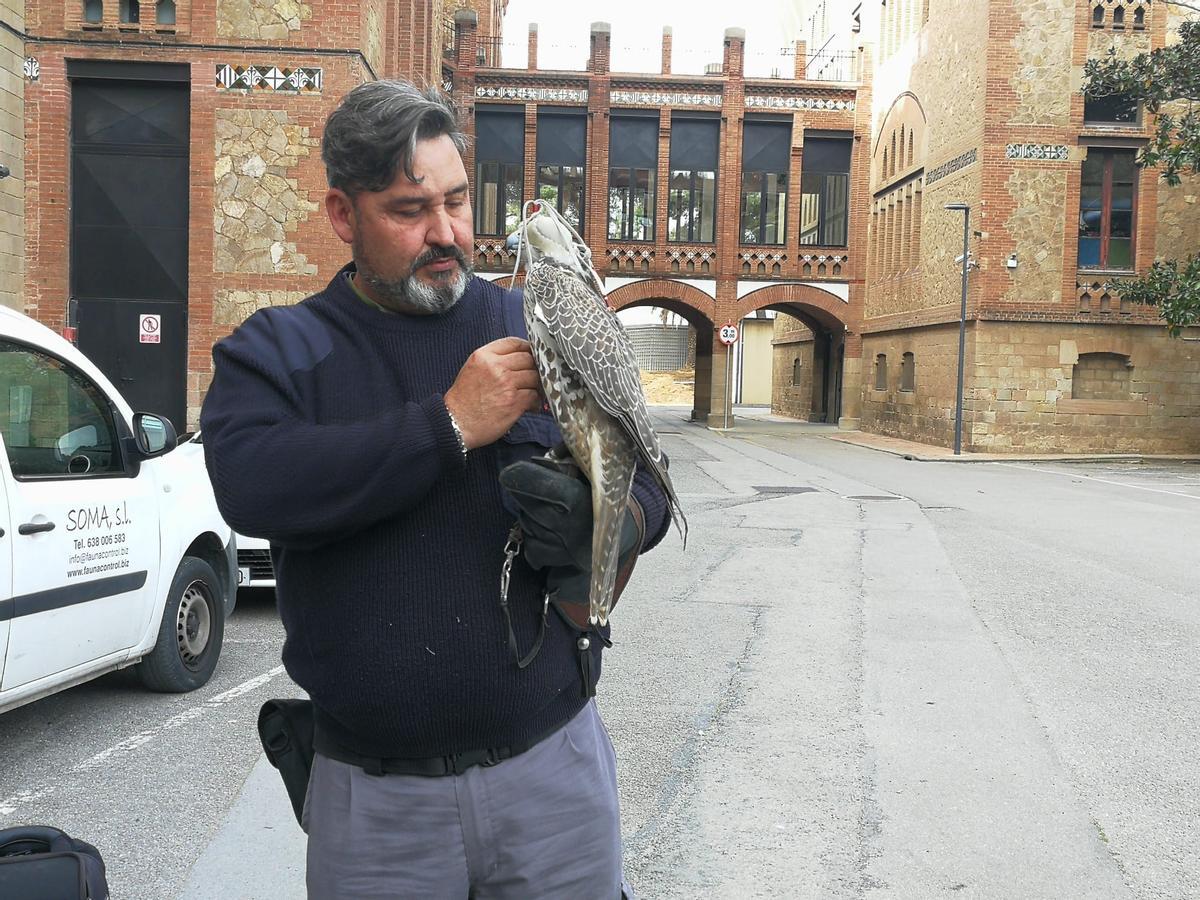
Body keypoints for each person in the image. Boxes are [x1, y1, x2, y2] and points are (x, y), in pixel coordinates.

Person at [200, 80, 670, 899]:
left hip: (552, 775)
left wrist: (619, 523)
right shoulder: (281, 350)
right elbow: (251, 485)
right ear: (344, 216)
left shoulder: (532, 317)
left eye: (457, 201)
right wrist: (447, 425)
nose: (448, 233)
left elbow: (642, 465)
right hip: (378, 807)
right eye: (409, 210)